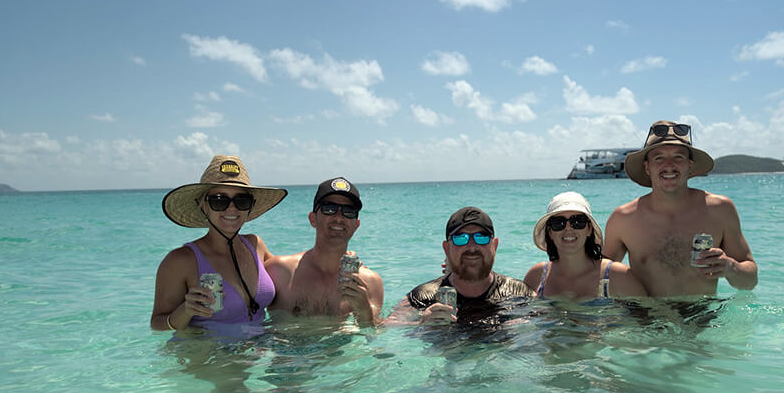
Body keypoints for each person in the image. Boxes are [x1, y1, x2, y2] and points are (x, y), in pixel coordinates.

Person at [603, 121, 757, 297]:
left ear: (689, 165)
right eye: (659, 158)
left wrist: (730, 267)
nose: (669, 165)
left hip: (703, 311)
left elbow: (750, 281)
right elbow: (599, 277)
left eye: (678, 157)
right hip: (645, 313)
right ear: (647, 167)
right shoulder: (623, 219)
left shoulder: (720, 210)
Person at [152, 154, 287, 332]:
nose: (232, 208)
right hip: (209, 349)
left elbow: (286, 275)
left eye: (241, 201)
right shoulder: (181, 261)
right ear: (203, 205)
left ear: (250, 206)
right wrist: (186, 310)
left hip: (259, 345)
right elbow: (157, 324)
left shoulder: (255, 245)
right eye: (219, 200)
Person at [265, 177, 383, 326]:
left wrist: (364, 311)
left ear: (356, 225)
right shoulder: (279, 271)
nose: (339, 218)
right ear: (312, 219)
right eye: (329, 209)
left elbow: (373, 334)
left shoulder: (370, 283)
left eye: (349, 211)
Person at [389, 206, 533, 324]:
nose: (472, 247)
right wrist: (422, 324)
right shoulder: (422, 297)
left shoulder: (520, 293)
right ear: (446, 248)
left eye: (481, 237)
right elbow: (387, 327)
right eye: (461, 238)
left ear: (494, 245)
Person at [524, 192, 646, 301]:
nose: (568, 228)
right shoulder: (537, 275)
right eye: (558, 223)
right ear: (550, 232)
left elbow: (645, 317)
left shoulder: (617, 275)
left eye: (578, 221)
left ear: (589, 229)